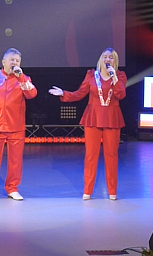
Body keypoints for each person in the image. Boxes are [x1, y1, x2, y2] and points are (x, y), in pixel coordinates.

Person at [50, 48, 126, 200]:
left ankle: (112, 191)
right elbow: (80, 93)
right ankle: (88, 190)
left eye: (111, 57)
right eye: (105, 57)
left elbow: (121, 94)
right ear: (101, 59)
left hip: (112, 118)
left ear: (115, 61)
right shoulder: (91, 75)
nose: (107, 59)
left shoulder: (120, 76)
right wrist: (64, 93)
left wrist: (115, 79)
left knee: (111, 156)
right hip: (93, 117)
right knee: (91, 155)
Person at [0, 48, 37, 200]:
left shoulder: (23, 79)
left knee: (15, 160)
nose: (14, 63)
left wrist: (21, 77)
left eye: (17, 61)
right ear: (3, 62)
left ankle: (12, 188)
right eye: (12, 60)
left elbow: (32, 94)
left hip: (16, 126)